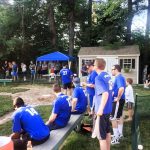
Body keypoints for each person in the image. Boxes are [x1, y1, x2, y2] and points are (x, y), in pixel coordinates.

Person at [91, 58, 112, 150]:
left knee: (101, 137)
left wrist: (100, 109)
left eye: (94, 64)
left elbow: (105, 93)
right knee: (107, 132)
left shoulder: (98, 78)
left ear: (97, 66)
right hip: (108, 109)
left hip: (102, 111)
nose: (93, 65)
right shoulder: (107, 75)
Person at [110, 64, 126, 144]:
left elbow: (121, 88)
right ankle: (119, 134)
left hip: (118, 101)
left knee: (113, 118)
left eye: (112, 69)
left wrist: (118, 98)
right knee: (118, 117)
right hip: (120, 100)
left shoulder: (119, 77)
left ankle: (116, 138)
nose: (111, 71)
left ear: (116, 69)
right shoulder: (120, 77)